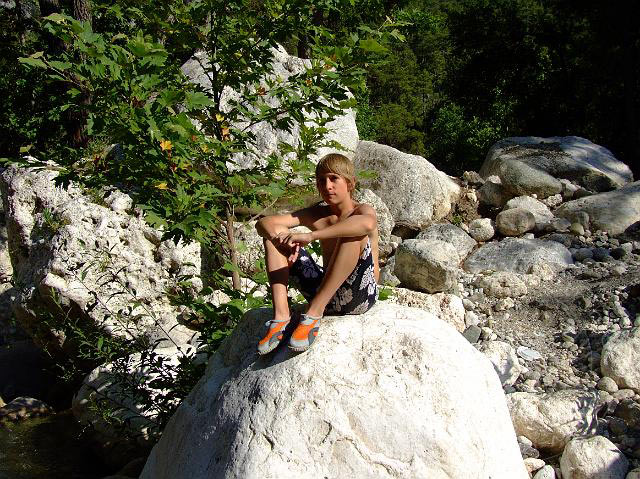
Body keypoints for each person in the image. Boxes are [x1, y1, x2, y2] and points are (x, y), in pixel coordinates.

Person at [255, 153, 380, 354]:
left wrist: (312, 236)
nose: (327, 186)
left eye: (333, 179)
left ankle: (313, 313)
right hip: (325, 291)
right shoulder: (318, 213)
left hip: (360, 296)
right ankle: (281, 317)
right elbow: (264, 223)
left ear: (350, 183)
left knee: (352, 233)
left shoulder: (361, 210)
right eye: (321, 181)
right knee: (273, 239)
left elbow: (368, 223)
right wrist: (280, 241)